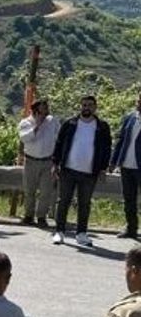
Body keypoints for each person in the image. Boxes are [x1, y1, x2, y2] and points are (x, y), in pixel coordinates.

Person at [52, 94, 112, 247]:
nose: (86, 108)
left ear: (95, 107)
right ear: (80, 106)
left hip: (90, 172)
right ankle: (59, 232)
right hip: (68, 170)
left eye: (90, 105)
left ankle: (81, 234)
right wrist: (55, 164)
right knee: (63, 201)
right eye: (84, 105)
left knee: (84, 204)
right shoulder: (70, 123)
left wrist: (103, 169)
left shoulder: (102, 127)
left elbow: (106, 149)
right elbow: (59, 144)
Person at [18, 98, 60, 227]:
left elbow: (58, 137)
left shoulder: (53, 121)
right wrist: (37, 125)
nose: (46, 111)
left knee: (46, 191)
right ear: (35, 110)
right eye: (43, 109)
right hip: (31, 161)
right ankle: (28, 215)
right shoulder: (26, 122)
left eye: (46, 108)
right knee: (29, 190)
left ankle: (41, 216)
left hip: (48, 161)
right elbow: (24, 138)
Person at [114, 92, 141, 239]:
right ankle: (131, 228)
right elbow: (121, 140)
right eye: (139, 101)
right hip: (126, 165)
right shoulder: (130, 118)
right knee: (129, 199)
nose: (139, 104)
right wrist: (114, 161)